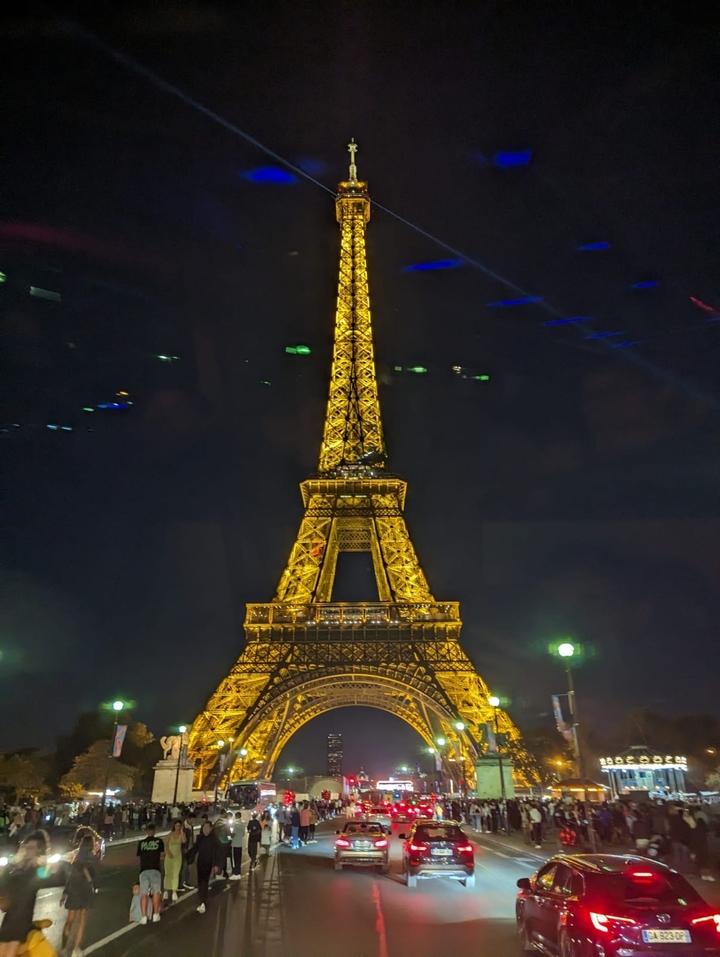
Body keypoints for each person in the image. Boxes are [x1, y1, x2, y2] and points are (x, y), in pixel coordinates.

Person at [0, 831, 48, 957]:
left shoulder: (37, 871)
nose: (28, 850)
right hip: (9, 917)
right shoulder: (17, 869)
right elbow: (4, 888)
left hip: (22, 919)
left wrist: (47, 845)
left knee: (10, 954)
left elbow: (48, 874)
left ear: (38, 850)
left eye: (31, 848)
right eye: (27, 847)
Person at [60, 834, 97, 956]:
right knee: (82, 921)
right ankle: (76, 949)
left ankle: (64, 946)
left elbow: (69, 877)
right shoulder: (92, 858)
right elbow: (94, 875)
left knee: (70, 920)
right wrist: (93, 885)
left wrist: (65, 893)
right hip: (85, 890)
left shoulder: (75, 858)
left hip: (74, 889)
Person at [136, 822, 164, 924]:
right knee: (156, 892)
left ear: (147, 831)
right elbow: (162, 856)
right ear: (154, 831)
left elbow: (139, 856)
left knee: (143, 893)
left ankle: (143, 917)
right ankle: (155, 914)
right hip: (155, 869)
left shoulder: (141, 843)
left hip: (144, 870)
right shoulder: (159, 841)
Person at [192, 821, 220, 914]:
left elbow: (217, 852)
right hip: (200, 863)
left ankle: (203, 902)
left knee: (204, 883)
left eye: (208, 828)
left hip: (209, 863)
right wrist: (188, 858)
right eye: (204, 828)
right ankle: (201, 901)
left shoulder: (214, 839)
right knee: (200, 883)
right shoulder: (200, 838)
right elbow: (195, 849)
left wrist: (216, 865)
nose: (206, 830)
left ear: (211, 829)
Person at [163, 819, 185, 902]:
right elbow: (166, 845)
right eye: (176, 825)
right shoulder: (170, 835)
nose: (178, 827)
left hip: (178, 856)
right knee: (168, 873)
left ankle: (174, 891)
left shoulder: (181, 834)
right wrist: (168, 853)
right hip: (169, 856)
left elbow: (184, 841)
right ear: (174, 826)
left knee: (176, 873)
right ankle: (166, 890)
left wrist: (182, 831)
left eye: (179, 826)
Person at [181, 813, 196, 890]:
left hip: (190, 848)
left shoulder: (191, 826)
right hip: (184, 849)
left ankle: (186, 881)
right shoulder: (183, 826)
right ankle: (180, 883)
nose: (193, 821)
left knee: (188, 866)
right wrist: (183, 847)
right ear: (189, 818)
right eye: (192, 820)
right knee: (182, 866)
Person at [230, 813, 246, 880]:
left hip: (234, 844)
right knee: (239, 859)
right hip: (240, 844)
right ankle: (238, 873)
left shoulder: (235, 825)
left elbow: (233, 834)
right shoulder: (243, 824)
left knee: (234, 860)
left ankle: (235, 874)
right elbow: (243, 834)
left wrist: (230, 835)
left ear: (235, 816)